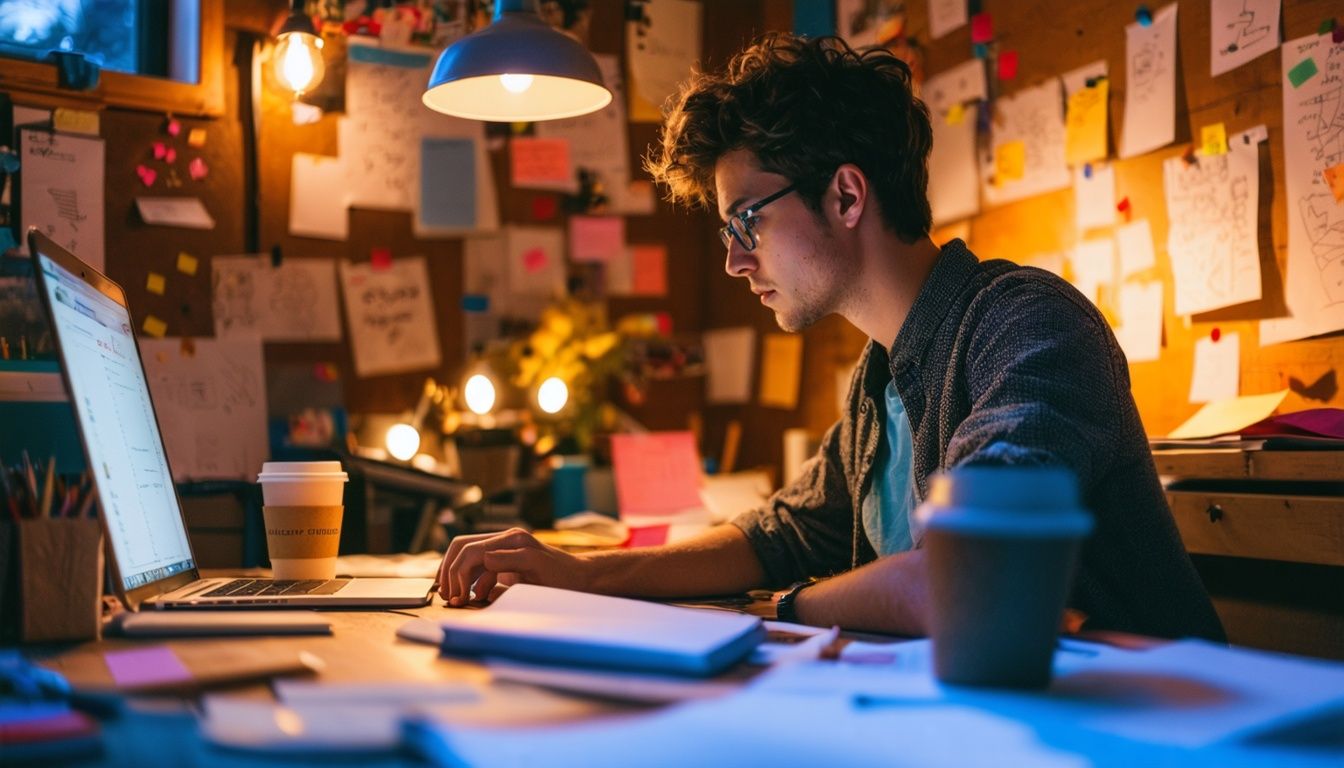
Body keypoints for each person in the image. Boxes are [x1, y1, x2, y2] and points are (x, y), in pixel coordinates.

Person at [438, 33, 1225, 641]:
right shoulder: (879, 379)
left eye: (746, 221)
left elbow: (969, 569)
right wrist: (576, 573)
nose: (735, 261)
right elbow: (777, 533)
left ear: (846, 195)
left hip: (1150, 733)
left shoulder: (1025, 325)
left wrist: (784, 607)